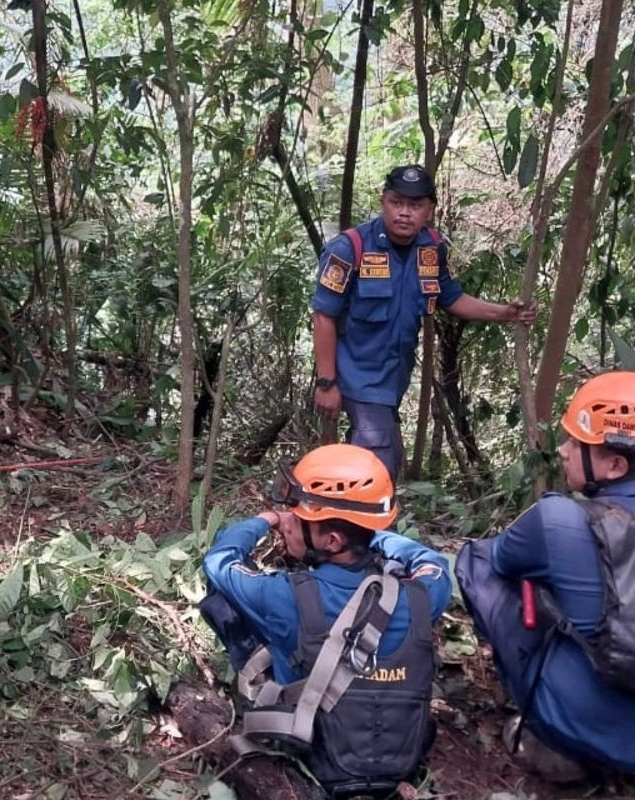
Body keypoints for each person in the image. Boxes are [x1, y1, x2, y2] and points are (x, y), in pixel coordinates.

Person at [200, 443, 451, 796]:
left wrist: (266, 519)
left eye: (300, 519)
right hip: (402, 759)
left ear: (331, 540)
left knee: (219, 604)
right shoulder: (423, 596)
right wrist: (366, 530)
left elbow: (219, 561)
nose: (290, 521)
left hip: (312, 750)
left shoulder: (285, 596)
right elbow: (431, 562)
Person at [456, 372, 635, 781]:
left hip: (586, 725)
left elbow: (496, 562)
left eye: (577, 444)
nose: (564, 453)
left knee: (477, 563)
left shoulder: (559, 519)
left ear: (615, 464)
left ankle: (555, 736)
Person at [310, 164, 537, 479]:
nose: (404, 213)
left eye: (415, 206)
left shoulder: (431, 248)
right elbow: (323, 316)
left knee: (367, 462)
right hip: (356, 378)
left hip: (393, 379)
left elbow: (451, 297)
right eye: (396, 203)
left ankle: (337, 513)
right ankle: (363, 520)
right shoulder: (350, 249)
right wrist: (326, 382)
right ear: (383, 202)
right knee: (378, 464)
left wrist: (505, 313)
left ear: (430, 209)